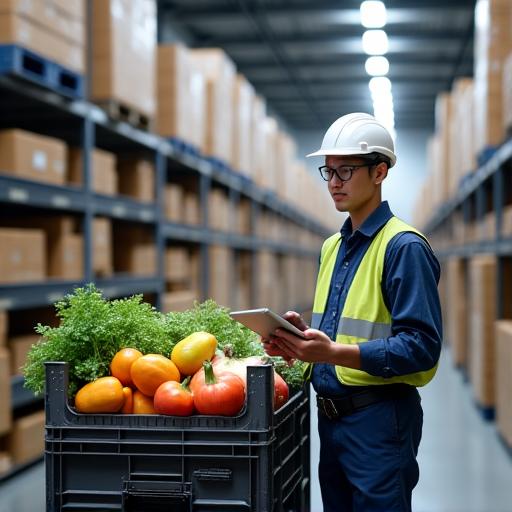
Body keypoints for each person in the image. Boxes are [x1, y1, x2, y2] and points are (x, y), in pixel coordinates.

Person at [262, 113, 442, 512]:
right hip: (331, 421)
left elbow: (422, 348)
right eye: (328, 170)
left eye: (346, 169)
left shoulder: (403, 247)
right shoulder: (332, 247)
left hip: (380, 422)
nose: (334, 182)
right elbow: (343, 330)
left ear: (379, 172)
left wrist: (333, 353)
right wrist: (299, 338)